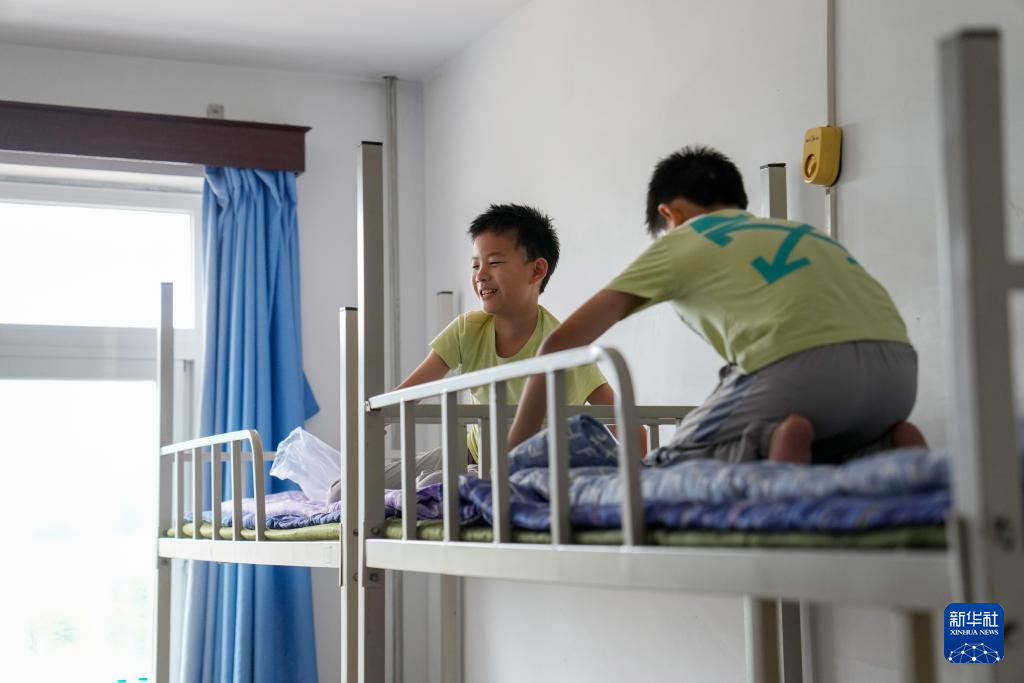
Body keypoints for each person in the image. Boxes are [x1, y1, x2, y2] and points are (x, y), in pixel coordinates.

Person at [507, 145, 926, 465]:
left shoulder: (686, 240)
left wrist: (508, 463)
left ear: (670, 216)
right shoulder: (800, 232)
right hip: (898, 376)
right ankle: (890, 446)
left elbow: (558, 345)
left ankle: (774, 441)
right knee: (834, 440)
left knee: (671, 462)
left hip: (798, 371)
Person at [386, 203, 642, 489]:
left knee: (436, 485)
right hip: (470, 453)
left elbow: (635, 433)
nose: (480, 275)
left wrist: (630, 482)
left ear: (536, 270)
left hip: (524, 470)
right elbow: (407, 395)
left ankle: (450, 486)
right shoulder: (467, 330)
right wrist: (373, 416)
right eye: (475, 265)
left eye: (494, 262)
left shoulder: (564, 348)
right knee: (359, 484)